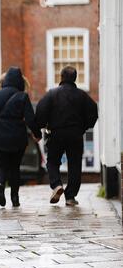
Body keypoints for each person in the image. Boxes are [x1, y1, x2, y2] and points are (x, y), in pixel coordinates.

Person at [35, 66, 98, 206]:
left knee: (52, 160)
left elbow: (40, 110)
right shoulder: (82, 96)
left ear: (61, 77)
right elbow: (94, 111)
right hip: (75, 134)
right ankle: (70, 196)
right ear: (75, 78)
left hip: (56, 133)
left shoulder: (51, 94)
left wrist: (42, 125)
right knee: (75, 164)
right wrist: (84, 127)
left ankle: (57, 184)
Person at [0, 67, 42, 207]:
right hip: (17, 136)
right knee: (15, 168)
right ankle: (15, 198)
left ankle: (1, 185)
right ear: (20, 81)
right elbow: (30, 119)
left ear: (6, 80)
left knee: (1, 167)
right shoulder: (23, 96)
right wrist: (37, 134)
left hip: (0, 135)